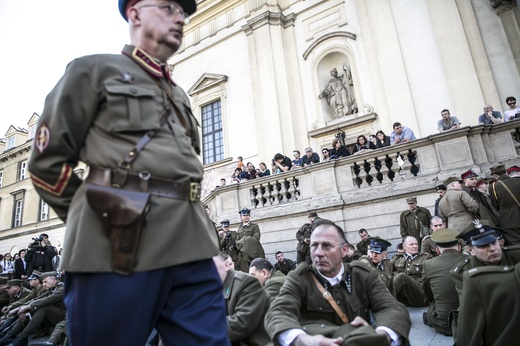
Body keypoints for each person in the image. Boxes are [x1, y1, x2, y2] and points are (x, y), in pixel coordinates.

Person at [27, 1, 229, 345]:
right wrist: (104, 219)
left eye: (184, 11)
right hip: (118, 246)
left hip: (192, 245)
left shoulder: (180, 95)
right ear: (134, 13)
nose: (180, 16)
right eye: (168, 6)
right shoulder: (93, 71)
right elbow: (46, 166)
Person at [264, 224, 411, 345]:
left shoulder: (363, 275)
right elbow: (278, 313)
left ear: (344, 250)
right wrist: (302, 340)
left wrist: (382, 335)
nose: (318, 253)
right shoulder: (299, 278)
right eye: (314, 245)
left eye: (327, 246)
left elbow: (392, 308)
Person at [213, 253, 271, 346]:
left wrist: (204, 326)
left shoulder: (247, 283)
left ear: (227, 265)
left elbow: (241, 324)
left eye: (210, 266)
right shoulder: (211, 289)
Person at [457, 262, 520, 345]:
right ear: (470, 250)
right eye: (484, 247)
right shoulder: (473, 278)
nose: (492, 249)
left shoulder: (478, 280)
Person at [421, 228, 465, 336]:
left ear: (437, 250)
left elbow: (427, 292)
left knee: (432, 304)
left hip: (444, 324)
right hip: (470, 323)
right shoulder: (469, 260)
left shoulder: (428, 264)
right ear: (459, 247)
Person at [392, 236, 431, 307]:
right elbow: (386, 268)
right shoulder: (398, 258)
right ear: (404, 246)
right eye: (411, 244)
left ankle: (383, 301)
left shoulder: (426, 258)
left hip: (420, 295)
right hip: (406, 298)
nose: (415, 246)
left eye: (416, 244)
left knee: (402, 276)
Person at [490, 165, 520, 245]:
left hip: (509, 220)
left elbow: (495, 205)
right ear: (506, 172)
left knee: (516, 245)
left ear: (495, 175)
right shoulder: (518, 181)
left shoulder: (493, 186)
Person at [236, 208, 265, 272]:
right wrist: (243, 243)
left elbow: (256, 238)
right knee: (246, 272)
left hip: (255, 253)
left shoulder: (254, 226)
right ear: (241, 217)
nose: (246, 217)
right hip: (243, 255)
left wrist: (244, 240)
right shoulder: (239, 229)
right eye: (244, 215)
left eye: (247, 215)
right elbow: (237, 242)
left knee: (258, 271)